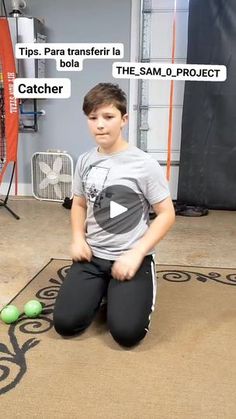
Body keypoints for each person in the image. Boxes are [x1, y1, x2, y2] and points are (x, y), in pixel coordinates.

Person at [53, 82, 175, 347]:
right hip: (93, 256)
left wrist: (137, 253)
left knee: (127, 334)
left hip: (132, 257)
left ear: (124, 120)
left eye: (108, 117)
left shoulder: (144, 164)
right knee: (65, 324)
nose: (100, 124)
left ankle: (124, 292)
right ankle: (103, 289)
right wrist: (78, 238)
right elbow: (79, 204)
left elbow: (167, 214)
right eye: (93, 117)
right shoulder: (85, 161)